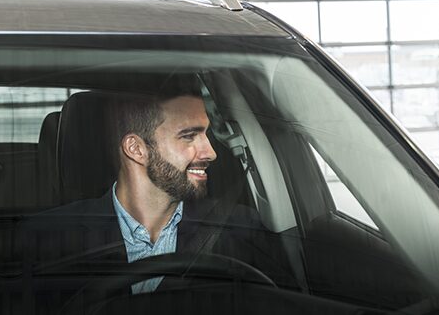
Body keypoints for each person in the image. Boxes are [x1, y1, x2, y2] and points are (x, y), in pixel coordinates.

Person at [19, 89, 294, 297]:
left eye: (207, 134)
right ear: (136, 149)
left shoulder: (241, 231)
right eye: (189, 136)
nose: (210, 152)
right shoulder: (48, 238)